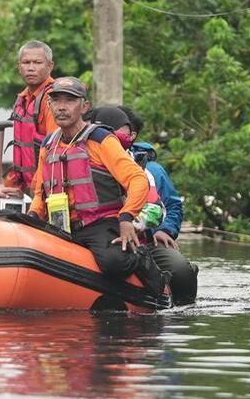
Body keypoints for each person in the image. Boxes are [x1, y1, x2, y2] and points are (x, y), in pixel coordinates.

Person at [27, 78, 171, 298]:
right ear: (49, 106)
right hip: (61, 224)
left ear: (84, 107)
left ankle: (148, 266)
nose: (62, 107)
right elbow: (40, 192)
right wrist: (32, 217)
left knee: (114, 263)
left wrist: (126, 218)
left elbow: (137, 180)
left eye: (70, 100)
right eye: (56, 101)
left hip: (100, 222)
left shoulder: (100, 139)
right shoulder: (48, 145)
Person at [114, 105, 200, 306]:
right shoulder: (87, 158)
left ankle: (182, 305)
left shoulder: (152, 169)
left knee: (180, 271)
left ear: (131, 134)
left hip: (147, 238)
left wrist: (165, 230)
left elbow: (172, 205)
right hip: (106, 237)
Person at [1, 40, 58, 199]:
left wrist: (36, 188)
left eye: (37, 62)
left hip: (51, 187)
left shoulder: (54, 98)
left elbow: (54, 149)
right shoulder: (23, 99)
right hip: (30, 188)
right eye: (26, 62)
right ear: (19, 67)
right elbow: (22, 150)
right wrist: (11, 185)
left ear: (50, 66)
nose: (31, 68)